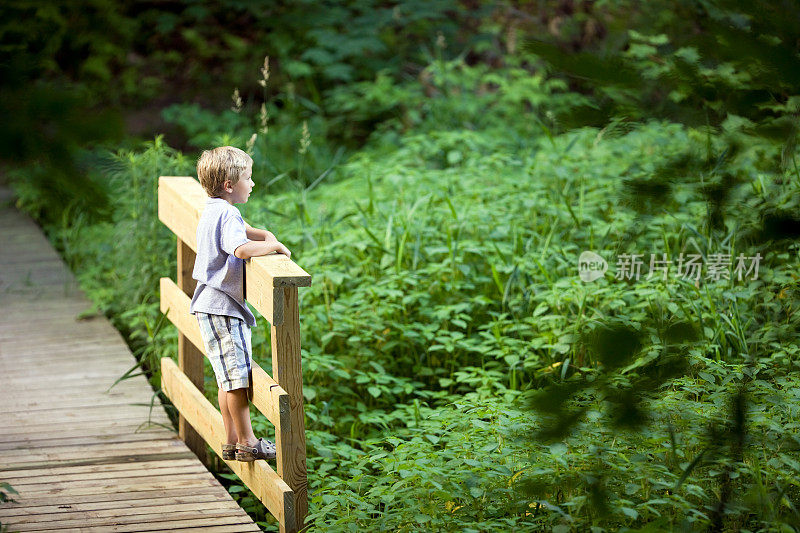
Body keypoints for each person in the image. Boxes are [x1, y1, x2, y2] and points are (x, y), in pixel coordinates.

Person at [189, 146, 291, 462]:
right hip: (223, 306)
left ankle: (231, 439)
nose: (253, 183)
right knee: (237, 379)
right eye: (248, 178)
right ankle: (248, 441)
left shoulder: (213, 208)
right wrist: (273, 246)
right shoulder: (228, 212)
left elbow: (244, 232)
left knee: (226, 376)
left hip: (208, 303)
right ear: (230, 185)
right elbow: (240, 248)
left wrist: (263, 233)